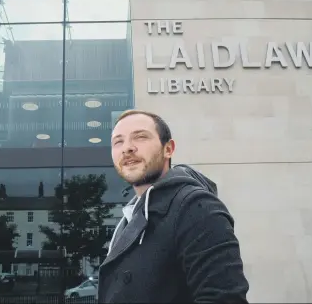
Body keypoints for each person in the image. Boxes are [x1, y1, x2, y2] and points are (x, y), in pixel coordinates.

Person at [98, 109, 249, 303]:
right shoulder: (130, 216)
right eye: (118, 141)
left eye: (140, 137)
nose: (127, 148)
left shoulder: (196, 207)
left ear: (168, 149)